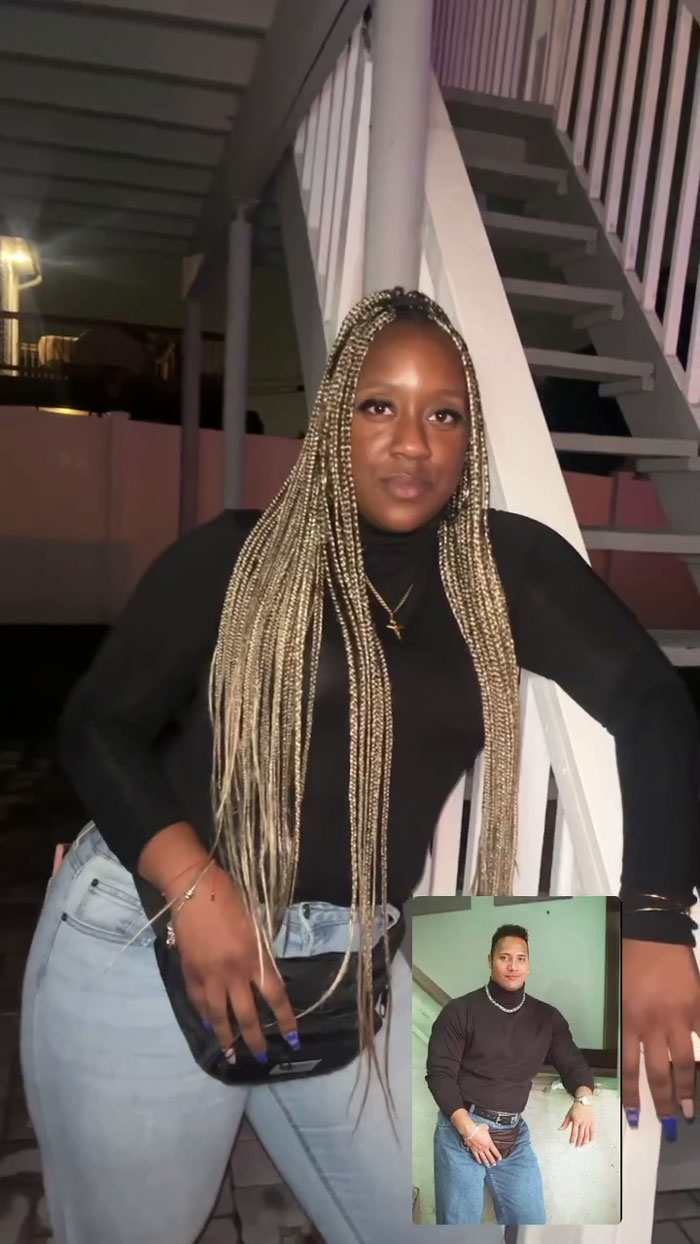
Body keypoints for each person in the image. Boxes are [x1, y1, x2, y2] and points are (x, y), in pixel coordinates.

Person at [20, 288, 700, 1244]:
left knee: (448, 1228)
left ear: (469, 437)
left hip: (337, 973)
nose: (411, 442)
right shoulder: (238, 558)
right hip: (147, 940)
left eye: (443, 413)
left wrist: (661, 922)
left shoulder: (511, 572)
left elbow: (652, 703)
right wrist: (192, 882)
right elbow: (97, 725)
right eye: (378, 405)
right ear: (335, 418)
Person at [427, 924, 595, 1225]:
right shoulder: (459, 1011)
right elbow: (439, 1074)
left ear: (529, 965)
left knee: (530, 1223)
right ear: (490, 960)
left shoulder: (547, 1018)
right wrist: (469, 1130)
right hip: (461, 1133)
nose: (513, 966)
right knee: (457, 1229)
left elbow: (573, 1064)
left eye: (520, 959)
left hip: (514, 1137)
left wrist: (583, 1100)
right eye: (505, 957)